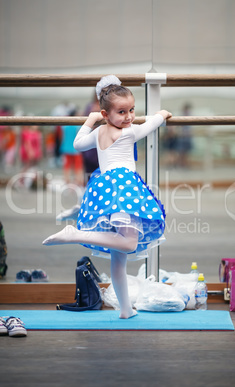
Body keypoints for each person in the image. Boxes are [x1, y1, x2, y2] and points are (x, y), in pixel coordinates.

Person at [43, 75, 172, 319]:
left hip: (105, 189)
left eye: (132, 110)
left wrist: (90, 120)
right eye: (122, 112)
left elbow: (78, 143)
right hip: (124, 191)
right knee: (130, 243)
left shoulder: (99, 131)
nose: (129, 117)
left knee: (119, 258)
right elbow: (148, 127)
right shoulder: (127, 133)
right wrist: (162, 114)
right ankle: (75, 234)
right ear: (106, 114)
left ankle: (125, 309)